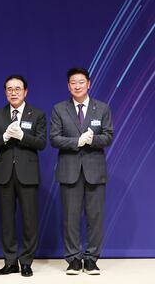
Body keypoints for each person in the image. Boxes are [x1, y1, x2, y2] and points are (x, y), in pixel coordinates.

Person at [50, 67, 113, 275]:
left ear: (89, 84)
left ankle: (92, 259)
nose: (77, 86)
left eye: (81, 82)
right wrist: (77, 141)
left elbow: (108, 136)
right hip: (69, 170)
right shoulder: (59, 109)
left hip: (95, 171)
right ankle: (74, 259)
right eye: (73, 83)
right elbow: (54, 138)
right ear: (68, 86)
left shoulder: (102, 108)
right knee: (70, 217)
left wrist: (92, 139)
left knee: (95, 217)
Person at [0, 75, 47, 277]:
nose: (13, 93)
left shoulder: (37, 114)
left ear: (25, 92)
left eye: (17, 89)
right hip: (4, 174)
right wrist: (4, 137)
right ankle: (10, 261)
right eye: (10, 89)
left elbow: (41, 143)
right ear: (5, 92)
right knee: (6, 221)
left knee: (29, 220)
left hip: (27, 174)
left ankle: (26, 262)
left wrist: (22, 136)